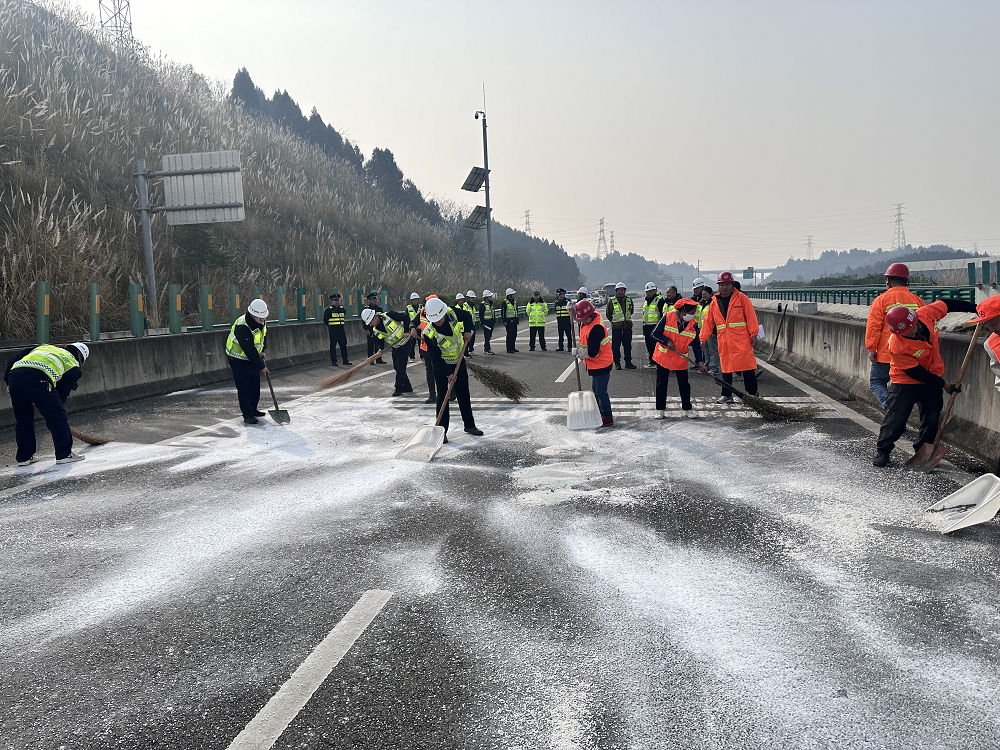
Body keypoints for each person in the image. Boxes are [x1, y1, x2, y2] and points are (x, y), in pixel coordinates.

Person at [873, 298, 977, 467]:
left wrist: (975, 308)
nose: (910, 333)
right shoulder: (896, 344)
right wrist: (945, 385)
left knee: (931, 419)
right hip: (905, 381)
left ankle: (922, 453)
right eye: (905, 332)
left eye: (912, 328)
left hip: (933, 374)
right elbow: (916, 372)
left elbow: (947, 304)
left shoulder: (926, 314)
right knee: (897, 418)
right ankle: (883, 450)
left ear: (914, 320)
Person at [5, 342, 89, 465]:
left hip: (14, 378)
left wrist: (8, 381)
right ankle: (64, 454)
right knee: (58, 417)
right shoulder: (73, 366)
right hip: (39, 379)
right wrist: (50, 406)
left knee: (23, 419)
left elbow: (12, 361)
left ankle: (24, 457)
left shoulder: (43, 347)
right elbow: (61, 393)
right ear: (81, 358)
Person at [422, 298, 483, 441]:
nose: (438, 322)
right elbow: (435, 358)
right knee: (442, 397)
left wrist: (468, 330)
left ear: (443, 313)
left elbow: (467, 316)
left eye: (440, 318)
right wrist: (448, 374)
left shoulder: (451, 312)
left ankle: (469, 425)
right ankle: (442, 431)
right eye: (435, 320)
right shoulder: (429, 333)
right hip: (442, 366)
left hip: (458, 361)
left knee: (463, 393)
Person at [864, 263, 924, 410]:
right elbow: (925, 326)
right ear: (906, 281)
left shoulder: (881, 300)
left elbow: (874, 327)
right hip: (911, 355)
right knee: (908, 387)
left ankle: (891, 410)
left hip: (886, 354)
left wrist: (872, 349)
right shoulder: (917, 301)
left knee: (877, 382)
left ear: (889, 281)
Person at [700, 272, 760, 403]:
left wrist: (754, 334)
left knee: (747, 367)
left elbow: (751, 316)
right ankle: (726, 395)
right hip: (724, 340)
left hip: (741, 340)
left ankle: (752, 394)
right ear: (718, 286)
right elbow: (708, 322)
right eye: (722, 285)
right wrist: (703, 338)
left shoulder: (742, 298)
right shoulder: (714, 302)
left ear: (732, 285)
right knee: (726, 368)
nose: (724, 287)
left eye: (727, 284)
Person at [651, 298, 707, 419]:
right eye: (692, 313)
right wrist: (667, 341)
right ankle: (660, 409)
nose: (693, 315)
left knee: (684, 385)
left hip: (680, 358)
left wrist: (700, 362)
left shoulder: (693, 324)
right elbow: (654, 334)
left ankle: (687, 408)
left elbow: (696, 345)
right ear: (683, 312)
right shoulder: (667, 317)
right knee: (661, 384)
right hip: (664, 357)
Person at [226, 299, 270, 424]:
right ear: (252, 314)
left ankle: (253, 409)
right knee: (244, 387)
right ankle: (247, 414)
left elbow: (263, 336)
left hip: (252, 357)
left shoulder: (261, 322)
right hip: (237, 359)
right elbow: (249, 350)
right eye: (260, 318)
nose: (262, 320)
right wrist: (262, 367)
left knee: (255, 385)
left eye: (264, 317)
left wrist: (263, 350)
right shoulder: (242, 326)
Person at [572, 299, 614, 426]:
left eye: (585, 319)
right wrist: (572, 311)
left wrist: (578, 352)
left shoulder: (596, 329)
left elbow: (592, 352)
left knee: (600, 391)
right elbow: (578, 318)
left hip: (602, 363)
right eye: (582, 320)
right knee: (596, 389)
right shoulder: (590, 317)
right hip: (595, 364)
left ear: (591, 315)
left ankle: (607, 416)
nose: (583, 322)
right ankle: (599, 412)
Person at [362, 307, 416, 396]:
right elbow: (379, 342)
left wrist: (406, 331)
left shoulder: (389, 315)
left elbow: (406, 317)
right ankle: (407, 387)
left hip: (405, 343)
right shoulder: (376, 330)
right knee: (396, 367)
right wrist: (379, 349)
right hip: (395, 346)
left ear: (374, 318)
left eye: (370, 323)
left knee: (401, 367)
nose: (370, 325)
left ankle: (398, 388)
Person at [606, 282, 636, 369]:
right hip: (616, 328)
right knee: (616, 346)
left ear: (624, 291)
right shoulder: (612, 301)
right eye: (619, 290)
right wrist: (615, 322)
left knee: (628, 346)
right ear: (616, 291)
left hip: (627, 327)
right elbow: (608, 313)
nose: (620, 292)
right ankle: (617, 362)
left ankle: (628, 362)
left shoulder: (629, 300)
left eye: (622, 290)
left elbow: (631, 311)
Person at [418, 295, 439, 404]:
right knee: (430, 372)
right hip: (426, 348)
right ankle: (432, 395)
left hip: (438, 347)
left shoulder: (440, 312)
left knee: (441, 371)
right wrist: (412, 328)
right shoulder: (422, 312)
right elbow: (414, 322)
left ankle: (449, 393)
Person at [322, 293, 351, 366]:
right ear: (332, 301)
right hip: (333, 331)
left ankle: (345, 360)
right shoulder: (328, 310)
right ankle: (334, 361)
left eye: (337, 300)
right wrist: (332, 326)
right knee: (333, 346)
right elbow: (325, 320)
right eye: (335, 300)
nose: (337, 302)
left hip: (341, 330)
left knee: (343, 345)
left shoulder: (342, 309)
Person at [641, 282, 664, 369]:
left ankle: (658, 362)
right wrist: (644, 328)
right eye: (647, 291)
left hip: (656, 327)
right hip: (647, 327)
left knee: (656, 346)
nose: (648, 293)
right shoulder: (646, 302)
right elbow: (644, 316)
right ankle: (652, 362)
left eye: (650, 291)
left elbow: (663, 315)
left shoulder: (660, 300)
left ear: (655, 290)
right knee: (649, 345)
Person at [698, 285, 720, 373]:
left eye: (705, 294)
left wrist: (714, 331)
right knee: (705, 350)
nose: (703, 296)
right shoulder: (702, 303)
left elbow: (715, 318)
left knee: (713, 350)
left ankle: (714, 368)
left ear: (710, 294)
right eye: (702, 294)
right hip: (703, 330)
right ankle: (706, 367)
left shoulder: (714, 303)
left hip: (711, 331)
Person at [364, 292, 386, 364]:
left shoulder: (379, 308)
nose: (375, 301)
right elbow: (364, 320)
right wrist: (367, 329)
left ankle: (378, 358)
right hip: (370, 329)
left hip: (379, 329)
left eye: (375, 299)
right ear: (370, 300)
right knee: (371, 344)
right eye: (373, 299)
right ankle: (371, 359)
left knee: (380, 343)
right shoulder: (367, 309)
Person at [502, 288, 520, 353]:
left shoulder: (514, 302)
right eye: (513, 294)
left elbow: (516, 310)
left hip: (514, 320)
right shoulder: (505, 302)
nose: (514, 295)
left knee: (514, 334)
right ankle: (509, 348)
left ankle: (513, 347)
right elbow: (503, 312)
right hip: (508, 321)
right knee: (510, 334)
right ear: (509, 295)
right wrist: (504, 321)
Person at [479, 290, 497, 355]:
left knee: (489, 336)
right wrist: (483, 323)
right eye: (490, 296)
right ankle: (488, 349)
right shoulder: (482, 305)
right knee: (487, 336)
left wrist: (494, 320)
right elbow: (481, 314)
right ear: (486, 297)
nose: (491, 297)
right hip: (486, 323)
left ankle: (486, 348)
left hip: (491, 322)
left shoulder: (490, 304)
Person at [406, 292, 421, 361]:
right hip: (412, 329)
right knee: (412, 344)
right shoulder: (408, 308)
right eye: (414, 300)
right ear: (411, 300)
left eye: (416, 299)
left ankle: (422, 356)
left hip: (420, 328)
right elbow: (406, 318)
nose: (415, 301)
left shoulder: (421, 307)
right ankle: (412, 357)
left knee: (421, 343)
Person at [464, 290, 480, 355]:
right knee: (467, 339)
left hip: (473, 324)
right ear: (468, 298)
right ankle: (466, 352)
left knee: (472, 338)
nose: (473, 299)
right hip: (468, 325)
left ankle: (471, 349)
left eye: (473, 298)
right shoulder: (465, 306)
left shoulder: (472, 306)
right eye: (471, 298)